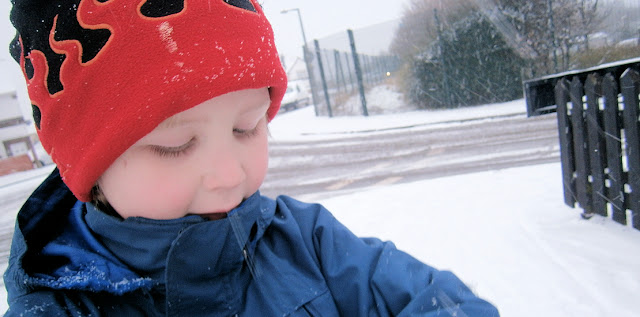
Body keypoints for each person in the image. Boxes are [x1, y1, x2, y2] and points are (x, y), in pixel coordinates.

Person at [4, 0, 500, 316]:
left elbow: (441, 302)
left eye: (248, 127)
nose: (229, 175)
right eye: (174, 146)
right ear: (88, 171)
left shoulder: (307, 242)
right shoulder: (55, 308)